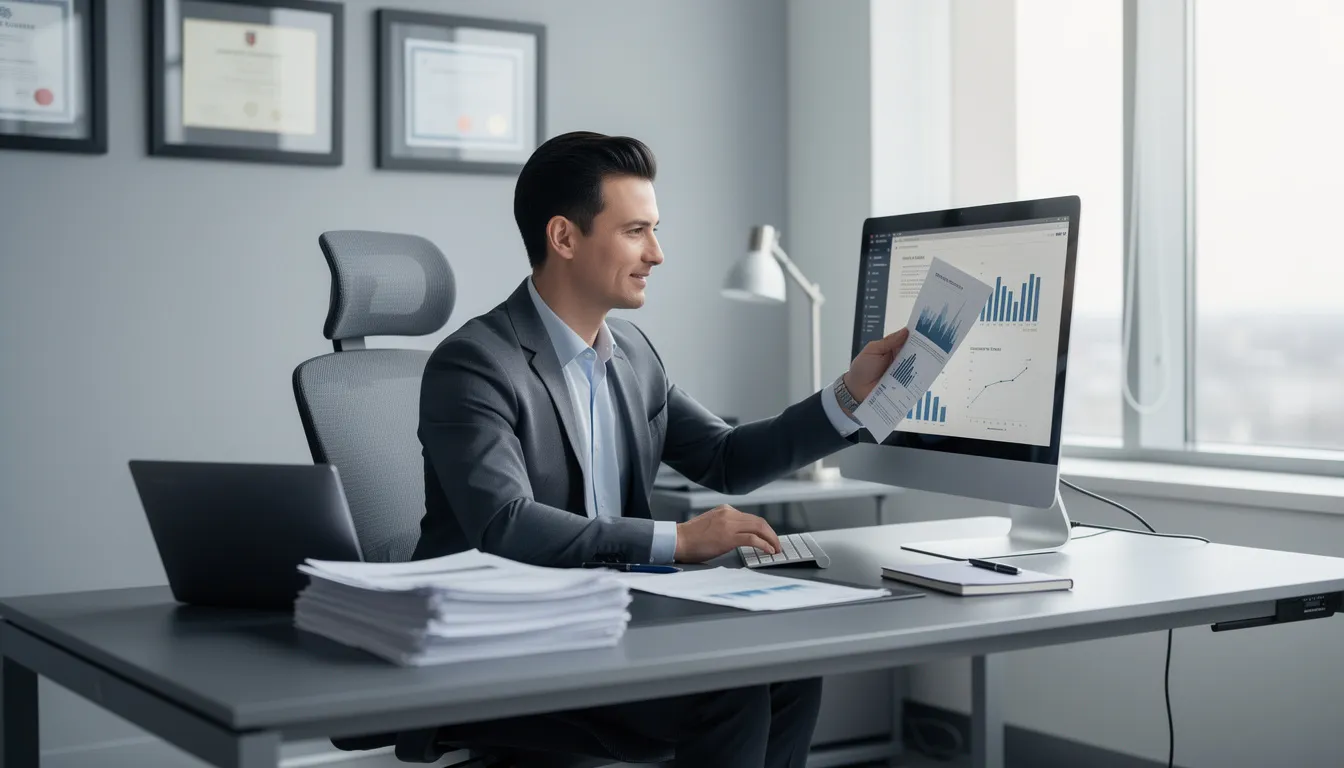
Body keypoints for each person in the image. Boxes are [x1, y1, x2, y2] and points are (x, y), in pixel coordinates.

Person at [411, 131, 909, 768]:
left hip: (616, 619)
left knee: (789, 672)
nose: (658, 253)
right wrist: (676, 540)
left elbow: (726, 458)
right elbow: (504, 523)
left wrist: (848, 395)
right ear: (564, 238)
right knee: (729, 692)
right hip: (509, 639)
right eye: (636, 231)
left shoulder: (634, 354)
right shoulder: (476, 364)